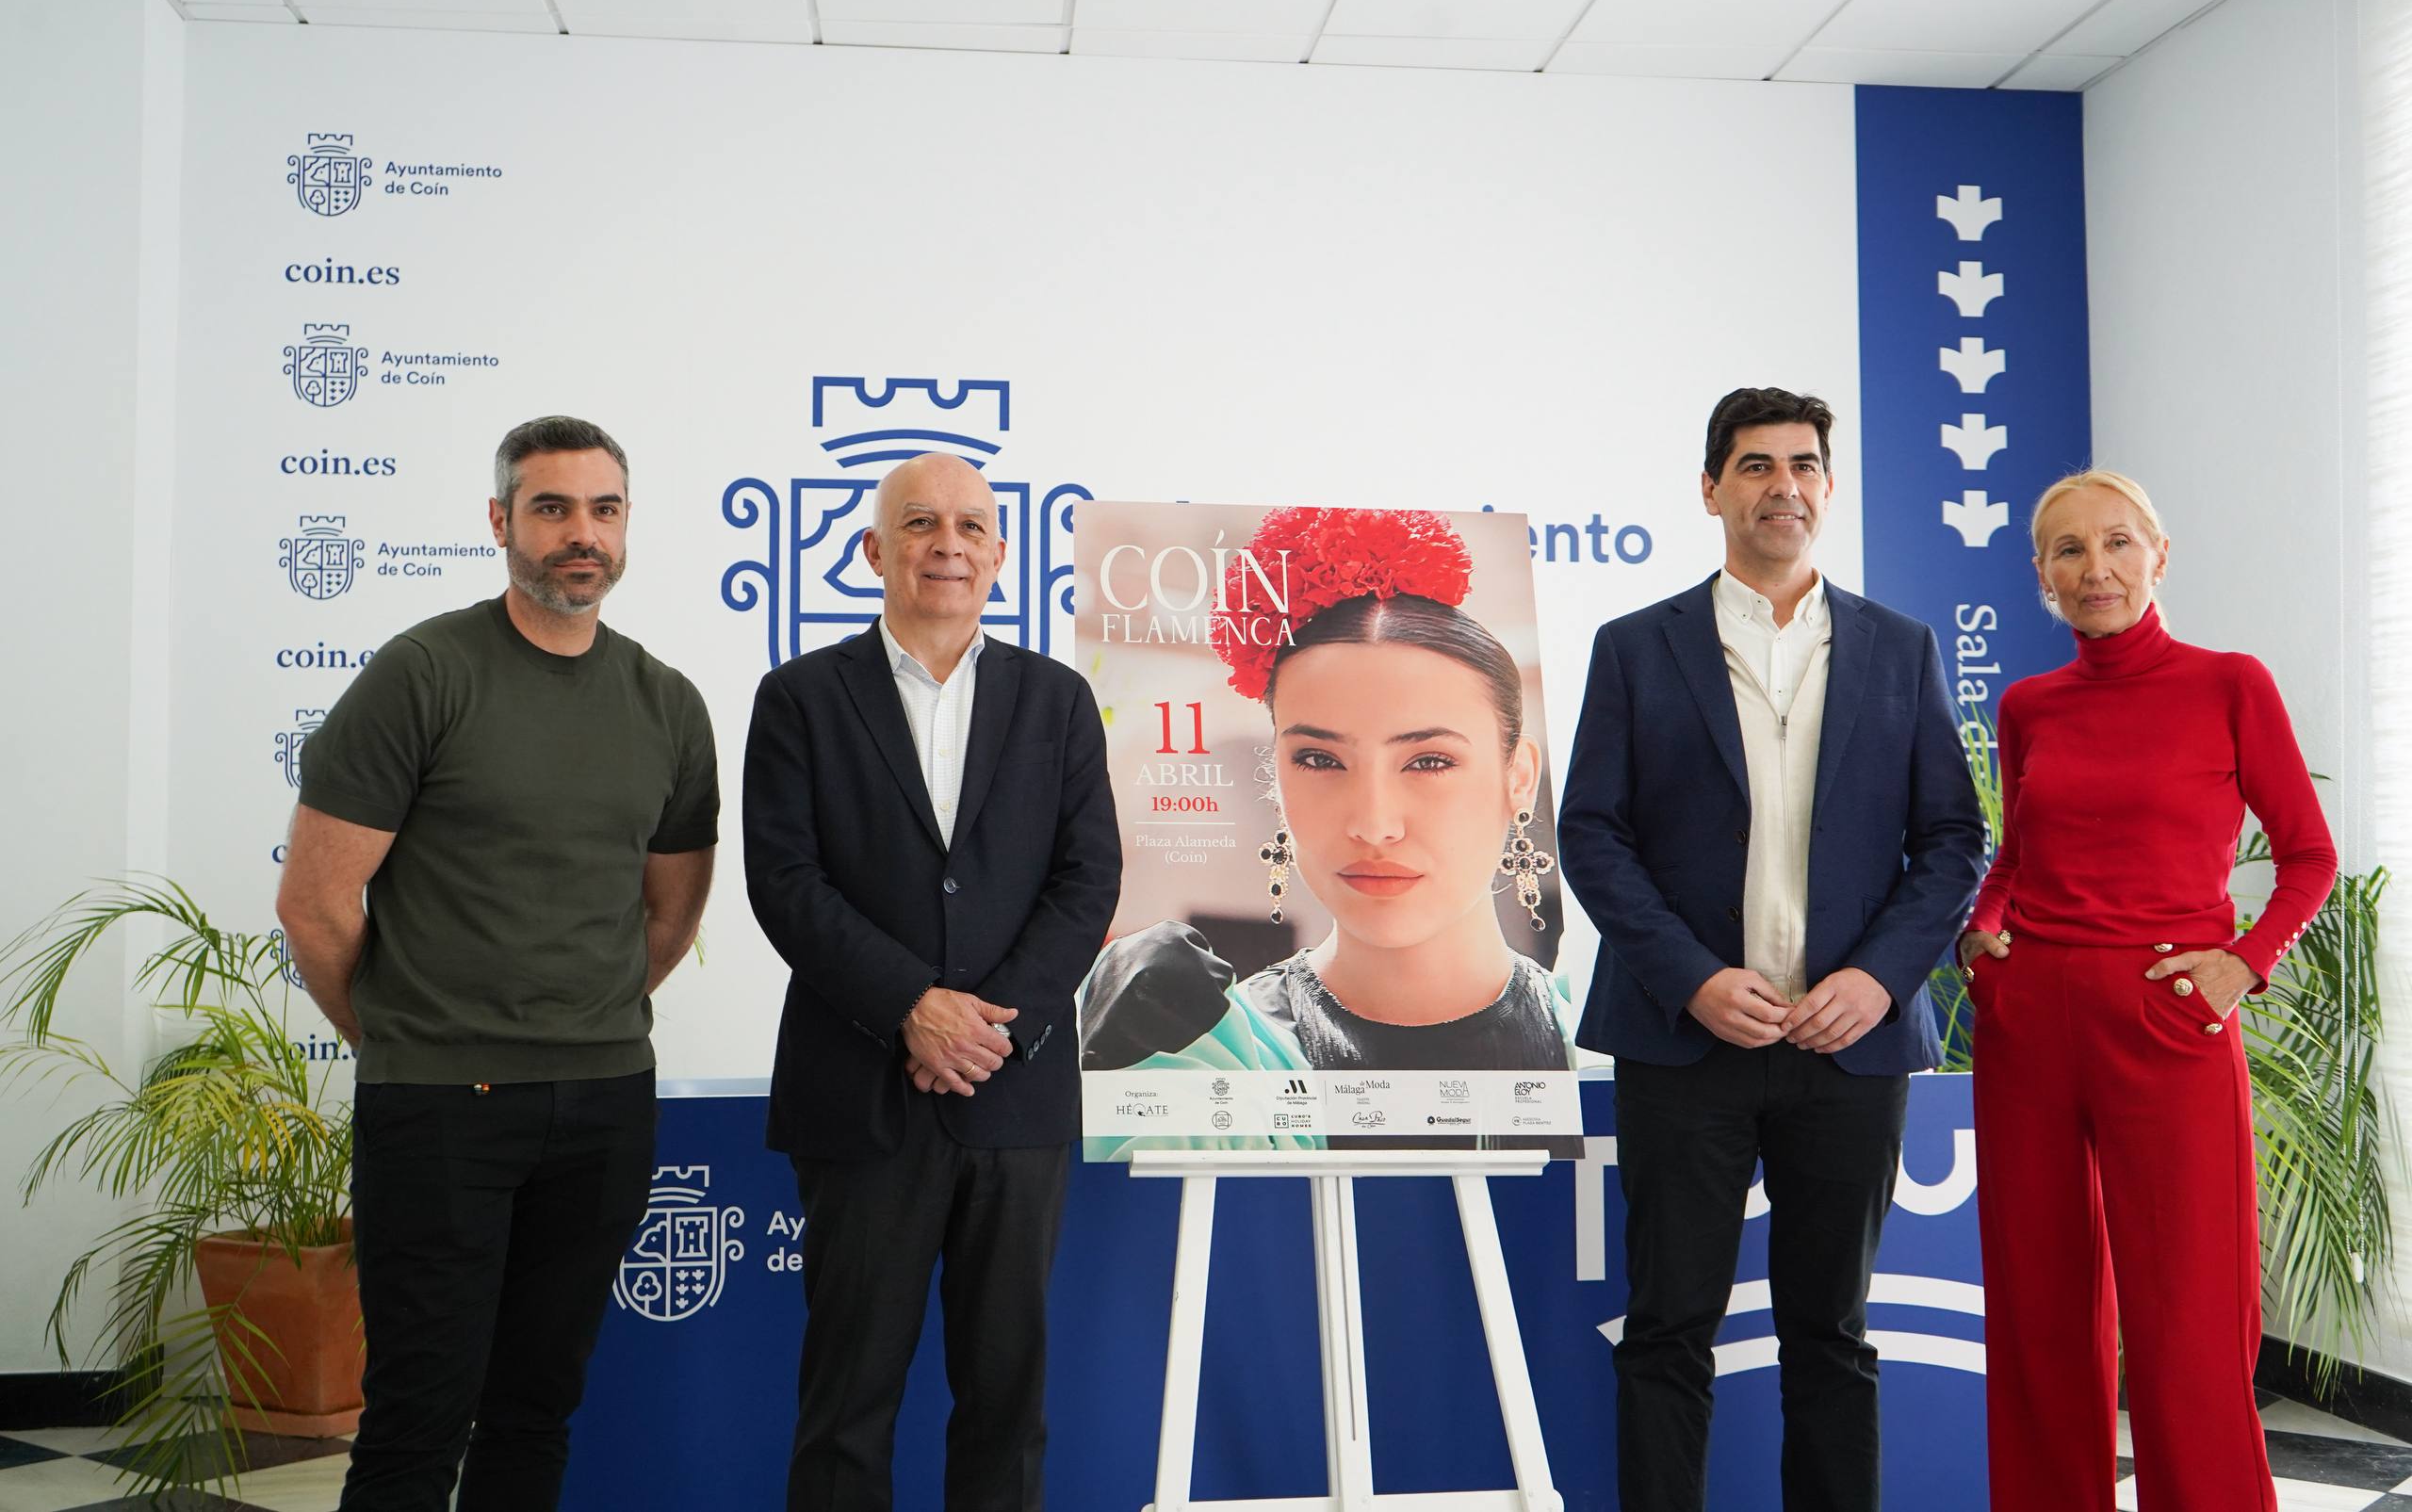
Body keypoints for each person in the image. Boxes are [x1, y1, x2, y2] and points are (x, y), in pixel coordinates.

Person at [276, 416, 718, 1512]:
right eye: (551, 507)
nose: (581, 533)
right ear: (500, 520)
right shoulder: (424, 673)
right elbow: (315, 903)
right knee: (417, 1416)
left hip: (604, 1101)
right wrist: (405, 1035)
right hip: (440, 1104)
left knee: (536, 1408)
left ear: (626, 525)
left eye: (603, 509)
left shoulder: (666, 701)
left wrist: (581, 1017)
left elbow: (669, 915)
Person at [1560, 386, 1984, 1512]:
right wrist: (1691, 977)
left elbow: (1952, 839)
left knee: (1830, 1332)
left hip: (1847, 1046)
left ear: (1828, 489)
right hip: (1684, 1040)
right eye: (1754, 466)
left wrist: (1877, 978)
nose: (1781, 486)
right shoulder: (1636, 647)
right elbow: (1591, 834)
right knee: (1667, 1329)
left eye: (1802, 465)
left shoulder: (1899, 647)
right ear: (1711, 490)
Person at [742, 452, 1121, 1512]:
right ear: (875, 550)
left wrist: (991, 1025)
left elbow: (1089, 878)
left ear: (1000, 554)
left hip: (1013, 1093)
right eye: (919, 523)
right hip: (859, 1096)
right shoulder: (801, 697)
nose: (946, 544)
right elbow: (784, 881)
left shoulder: (1057, 700)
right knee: (846, 1406)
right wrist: (912, 1006)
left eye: (968, 526)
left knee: (1006, 1403)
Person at [1959, 470, 2336, 1512]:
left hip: (2168, 1018)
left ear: (2159, 555)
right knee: (2037, 1307)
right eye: (2069, 550)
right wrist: (1982, 930)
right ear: (2041, 575)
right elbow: (2014, 855)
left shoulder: (2230, 684)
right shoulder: (2028, 704)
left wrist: (2243, 961)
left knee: (2189, 1314)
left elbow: (2308, 856)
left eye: (2118, 542)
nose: (2097, 568)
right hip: (2029, 1020)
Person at [1077, 506, 1576, 1110]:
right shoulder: (1213, 1052)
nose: (1373, 825)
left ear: (1519, 776)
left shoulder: (1596, 1036)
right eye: (1319, 759)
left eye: (1428, 762)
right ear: (1276, 774)